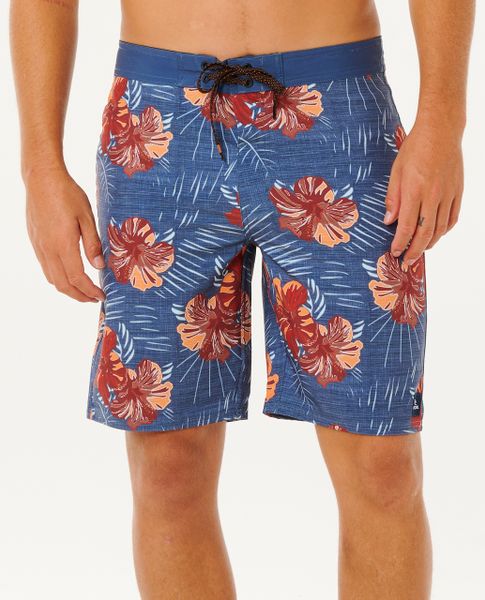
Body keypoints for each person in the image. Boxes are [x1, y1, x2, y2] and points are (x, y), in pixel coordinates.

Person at [10, 1, 475, 598]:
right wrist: (40, 167)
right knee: (168, 467)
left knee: (382, 464)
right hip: (157, 123)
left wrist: (443, 120)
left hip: (337, 112)